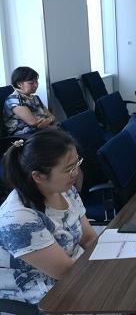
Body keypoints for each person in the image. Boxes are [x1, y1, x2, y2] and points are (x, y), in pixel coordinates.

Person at [0, 128, 96, 305]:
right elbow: (66, 273)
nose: (76, 172)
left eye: (77, 163)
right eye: (69, 169)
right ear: (38, 176)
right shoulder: (20, 219)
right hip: (45, 292)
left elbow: (89, 238)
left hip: (78, 268)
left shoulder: (64, 189)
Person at [3, 67, 56, 136]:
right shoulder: (13, 100)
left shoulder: (35, 98)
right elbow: (33, 122)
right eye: (31, 83)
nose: (36, 85)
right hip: (25, 136)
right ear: (19, 84)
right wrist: (50, 120)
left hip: (42, 131)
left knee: (65, 126)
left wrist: (49, 120)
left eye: (36, 81)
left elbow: (51, 116)